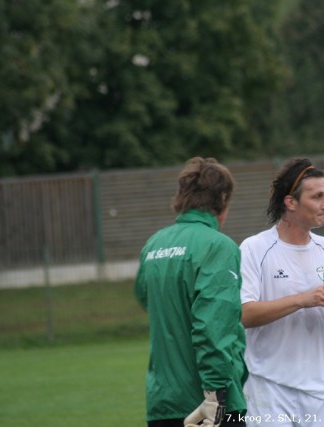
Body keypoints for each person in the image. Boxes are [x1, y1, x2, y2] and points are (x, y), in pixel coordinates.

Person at [239, 157, 324, 427]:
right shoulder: (254, 249)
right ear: (291, 203)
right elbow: (243, 313)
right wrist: (303, 299)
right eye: (318, 197)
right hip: (268, 389)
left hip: (323, 392)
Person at [134, 157, 247, 427]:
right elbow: (213, 326)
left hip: (162, 402)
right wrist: (215, 395)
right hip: (207, 406)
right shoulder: (218, 246)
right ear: (222, 197)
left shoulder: (153, 244)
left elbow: (144, 296)